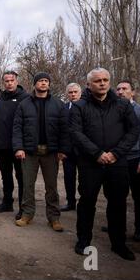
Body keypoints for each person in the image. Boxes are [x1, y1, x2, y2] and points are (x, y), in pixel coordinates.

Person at [70, 68, 139, 261]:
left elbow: (133, 131)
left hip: (117, 163)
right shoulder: (79, 106)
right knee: (86, 202)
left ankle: (119, 244)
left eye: (106, 80)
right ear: (89, 84)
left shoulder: (123, 105)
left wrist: (116, 153)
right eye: (98, 80)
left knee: (117, 203)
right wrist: (97, 153)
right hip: (90, 163)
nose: (102, 83)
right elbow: (76, 133)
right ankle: (83, 241)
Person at [13, 72, 69, 232]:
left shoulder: (58, 104)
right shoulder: (24, 104)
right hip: (29, 152)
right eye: (40, 81)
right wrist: (19, 148)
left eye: (46, 81)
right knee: (28, 185)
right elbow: (17, 128)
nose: (43, 83)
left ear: (49, 84)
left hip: (51, 152)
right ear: (35, 84)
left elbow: (64, 130)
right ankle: (27, 214)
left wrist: (63, 150)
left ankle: (54, 218)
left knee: (51, 186)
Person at [115, 80, 140, 241]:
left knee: (139, 196)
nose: (120, 92)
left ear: (133, 92)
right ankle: (118, 226)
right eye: (118, 89)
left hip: (136, 159)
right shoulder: (113, 111)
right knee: (117, 196)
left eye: (125, 89)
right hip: (117, 160)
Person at [0, 71, 28, 218]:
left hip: (19, 146)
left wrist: (23, 145)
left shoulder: (25, 98)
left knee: (21, 177)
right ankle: (7, 203)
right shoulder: (0, 98)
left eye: (12, 80)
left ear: (16, 81)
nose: (9, 83)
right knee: (6, 176)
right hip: (2, 146)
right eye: (6, 81)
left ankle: (23, 207)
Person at [60, 83, 82, 212]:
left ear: (80, 93)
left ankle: (83, 203)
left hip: (83, 150)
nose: (73, 94)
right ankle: (70, 202)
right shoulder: (63, 108)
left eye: (75, 92)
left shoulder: (86, 106)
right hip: (67, 151)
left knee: (84, 179)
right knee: (69, 178)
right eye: (70, 92)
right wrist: (61, 149)